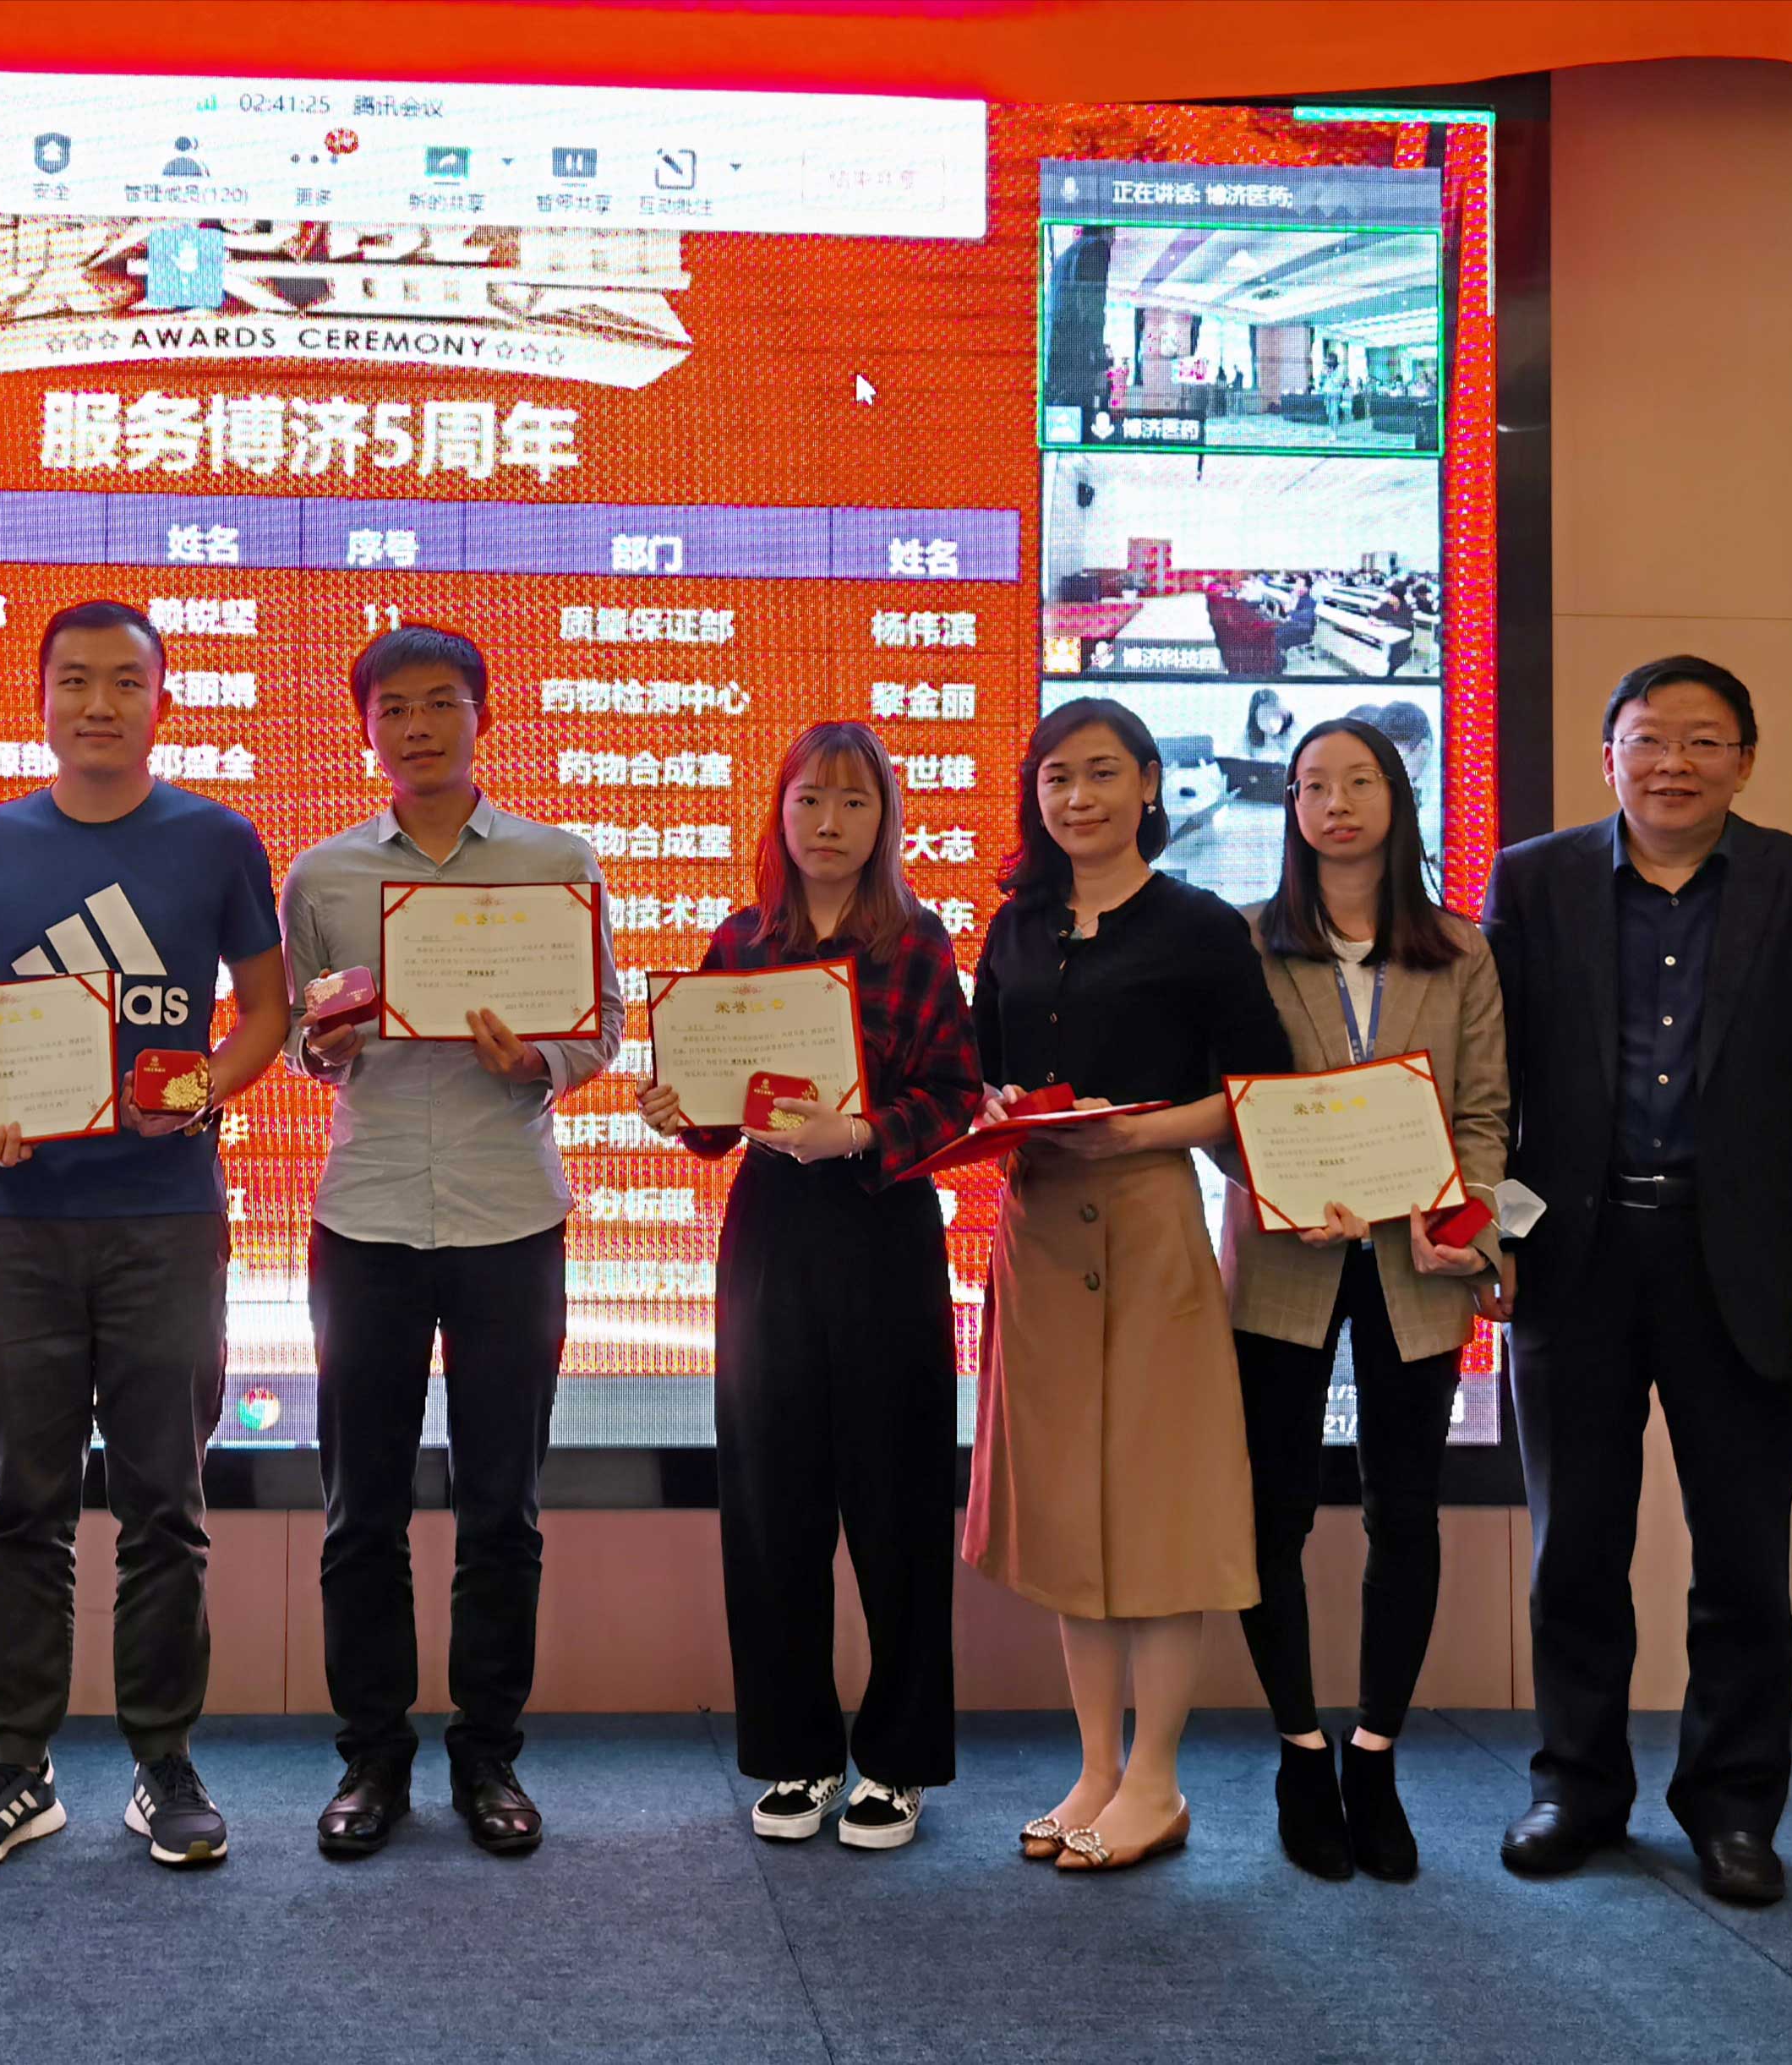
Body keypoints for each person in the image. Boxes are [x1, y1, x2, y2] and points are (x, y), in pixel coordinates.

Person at [1483, 654, 1792, 1908]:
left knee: (1743, 1563)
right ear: (1607, 755)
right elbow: (1488, 1083)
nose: (1673, 764)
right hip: (1575, 1261)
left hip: (1749, 1272)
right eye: (1649, 739)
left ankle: (1733, 1808)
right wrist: (1487, 1233)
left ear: (1745, 762)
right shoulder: (1534, 880)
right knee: (1574, 1552)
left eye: (1704, 742)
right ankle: (1575, 1787)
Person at [0, 599, 289, 1877]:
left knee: (163, 1507)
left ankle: (162, 1761)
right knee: (22, 1505)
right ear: (40, 700)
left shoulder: (215, 839)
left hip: (166, 1216)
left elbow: (265, 1010)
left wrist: (208, 1087)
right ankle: (16, 1766)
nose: (98, 705)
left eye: (125, 682)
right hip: (16, 1220)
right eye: (74, 681)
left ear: (161, 702)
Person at [279, 626, 624, 1860]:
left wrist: (536, 1060)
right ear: (365, 727)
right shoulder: (322, 876)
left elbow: (603, 1026)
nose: (417, 728)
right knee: (359, 1512)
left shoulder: (555, 862)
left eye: (441, 704)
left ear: (483, 714)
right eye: (394, 710)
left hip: (509, 1218)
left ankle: (488, 1757)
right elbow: (302, 1033)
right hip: (365, 1217)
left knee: (502, 1510)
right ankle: (371, 1759)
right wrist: (318, 1048)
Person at [640, 722, 981, 1852]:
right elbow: (709, 1114)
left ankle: (898, 1762)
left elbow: (956, 1097)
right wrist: (677, 1109)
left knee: (895, 1506)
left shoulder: (917, 941)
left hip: (883, 1225)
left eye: (853, 803)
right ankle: (796, 1754)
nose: (828, 823)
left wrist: (861, 1133)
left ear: (885, 821)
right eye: (809, 801)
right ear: (779, 815)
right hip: (771, 1232)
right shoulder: (742, 940)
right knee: (770, 1503)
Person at [964, 696, 1291, 1874]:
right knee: (1070, 1518)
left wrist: (1145, 1130)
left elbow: (1259, 1094)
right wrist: (994, 1107)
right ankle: (1096, 1770)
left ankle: (1156, 1780)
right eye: (1056, 777)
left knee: (1157, 1516)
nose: (1077, 798)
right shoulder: (1014, 927)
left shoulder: (1201, 926)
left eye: (1102, 773)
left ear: (1150, 784)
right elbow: (979, 1078)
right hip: (1040, 1231)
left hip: (1150, 1225)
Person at [1219, 718, 1506, 1884]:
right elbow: (1224, 1108)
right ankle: (1300, 1753)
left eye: (1358, 781)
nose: (1334, 803)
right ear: (1289, 806)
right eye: (1312, 785)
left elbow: (1484, 1115)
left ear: (1399, 795)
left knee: (1406, 1512)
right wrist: (1279, 1185)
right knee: (1273, 1515)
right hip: (1283, 1260)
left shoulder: (1458, 949)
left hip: (1415, 1266)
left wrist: (1463, 1224)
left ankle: (1376, 1757)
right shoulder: (1247, 944)